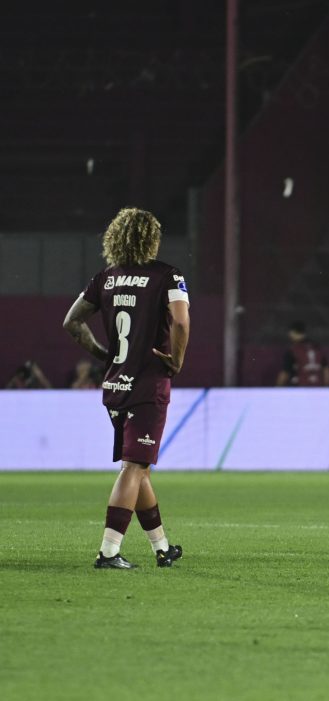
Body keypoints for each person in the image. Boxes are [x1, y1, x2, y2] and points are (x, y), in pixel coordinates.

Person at [62, 207, 188, 569]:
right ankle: (108, 552)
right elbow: (181, 321)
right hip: (148, 384)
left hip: (116, 384)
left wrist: (105, 355)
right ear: (152, 238)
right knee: (134, 467)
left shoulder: (106, 278)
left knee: (139, 467)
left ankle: (162, 548)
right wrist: (177, 360)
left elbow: (72, 322)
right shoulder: (168, 275)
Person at [276, 321, 329, 386]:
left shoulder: (293, 350)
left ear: (293, 332)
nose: (289, 335)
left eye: (290, 333)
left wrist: (278, 387)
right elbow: (326, 370)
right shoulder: (317, 348)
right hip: (317, 388)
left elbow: (285, 373)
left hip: (299, 388)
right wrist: (326, 388)